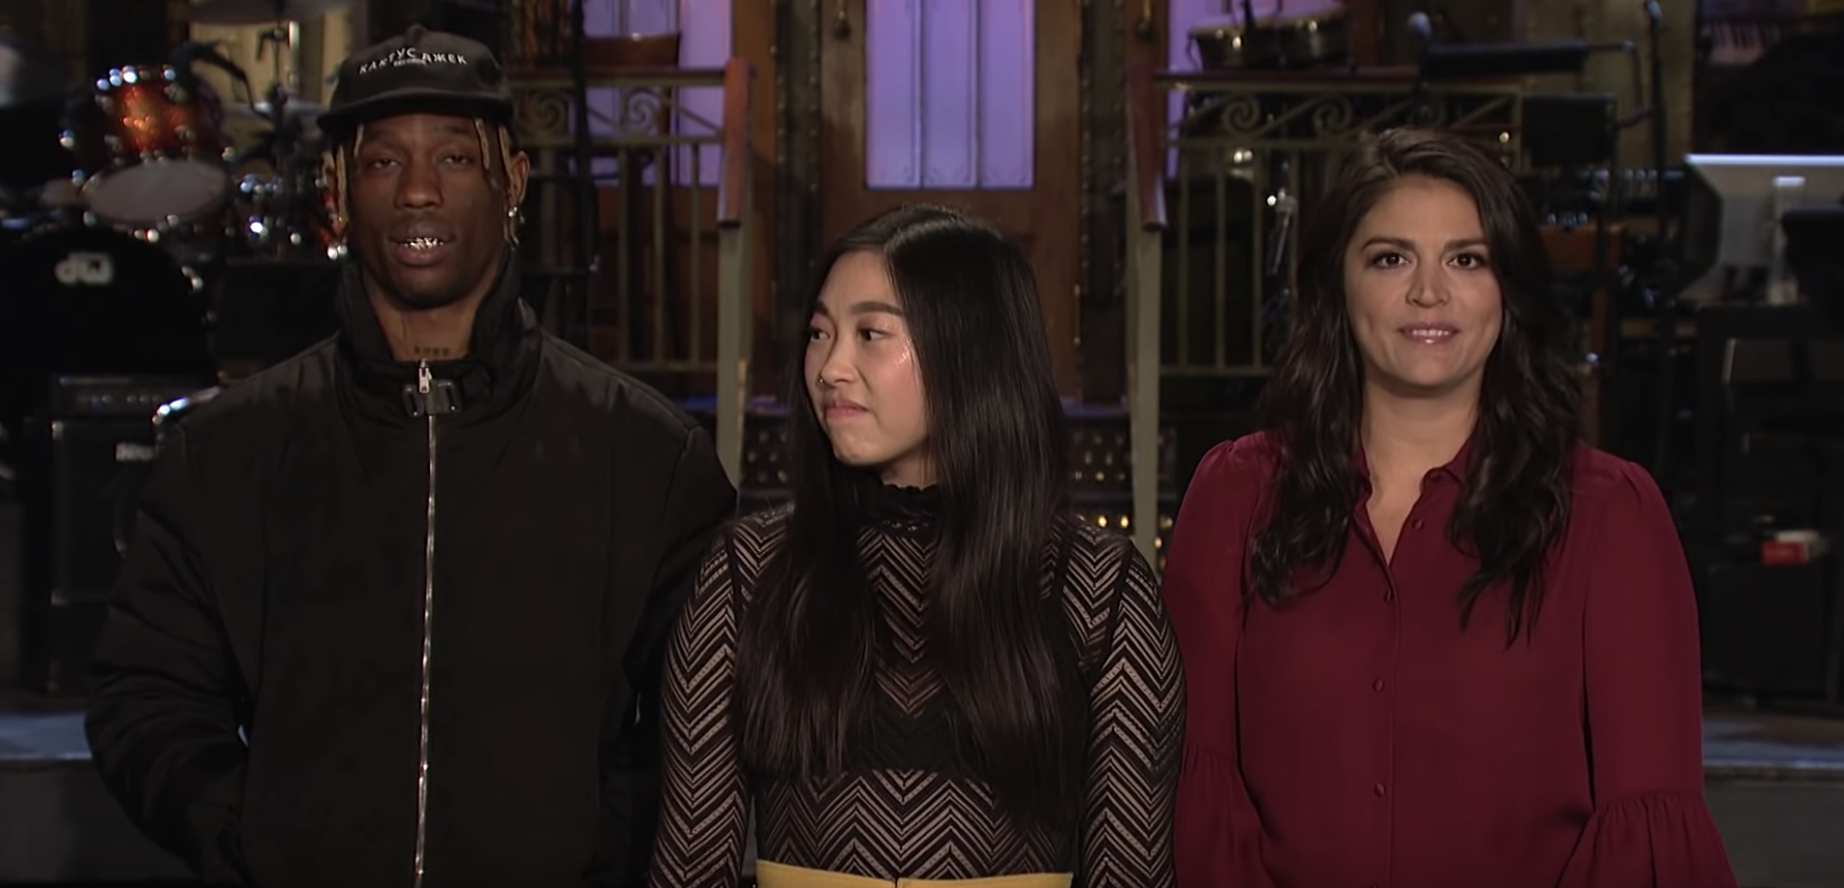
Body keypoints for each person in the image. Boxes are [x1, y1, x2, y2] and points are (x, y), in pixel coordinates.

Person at [83, 26, 737, 888]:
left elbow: (707, 720)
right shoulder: (226, 456)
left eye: (456, 159)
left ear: (512, 182)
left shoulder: (647, 458)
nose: (419, 191)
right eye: (383, 162)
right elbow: (146, 692)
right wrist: (252, 838)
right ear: (338, 192)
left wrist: (602, 848)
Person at [1162, 127, 1738, 888]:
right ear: (1337, 285)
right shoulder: (1235, 495)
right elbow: (1198, 797)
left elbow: (1646, 830)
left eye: (1467, 259)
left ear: (1509, 290)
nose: (1429, 292)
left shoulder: (1610, 516)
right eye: (1390, 258)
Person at [647, 204, 1184, 888]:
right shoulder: (749, 571)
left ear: (972, 352)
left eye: (870, 333)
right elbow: (689, 868)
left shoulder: (1099, 588)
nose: (830, 368)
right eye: (819, 333)